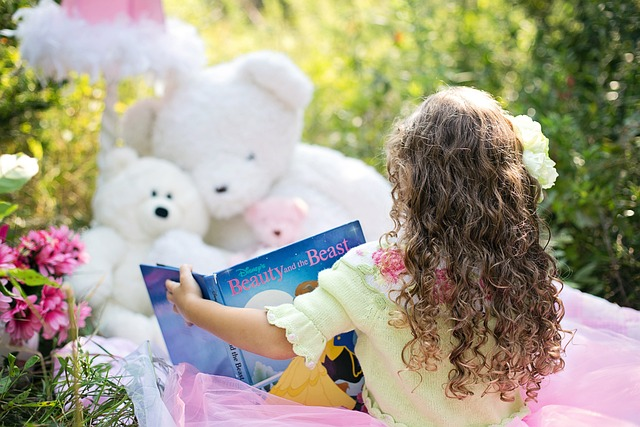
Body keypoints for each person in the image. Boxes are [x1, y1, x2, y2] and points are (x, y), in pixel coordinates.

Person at [164, 86, 640, 427]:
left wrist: (195, 308)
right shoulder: (516, 262)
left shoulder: (375, 273)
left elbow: (277, 339)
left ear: (410, 182)